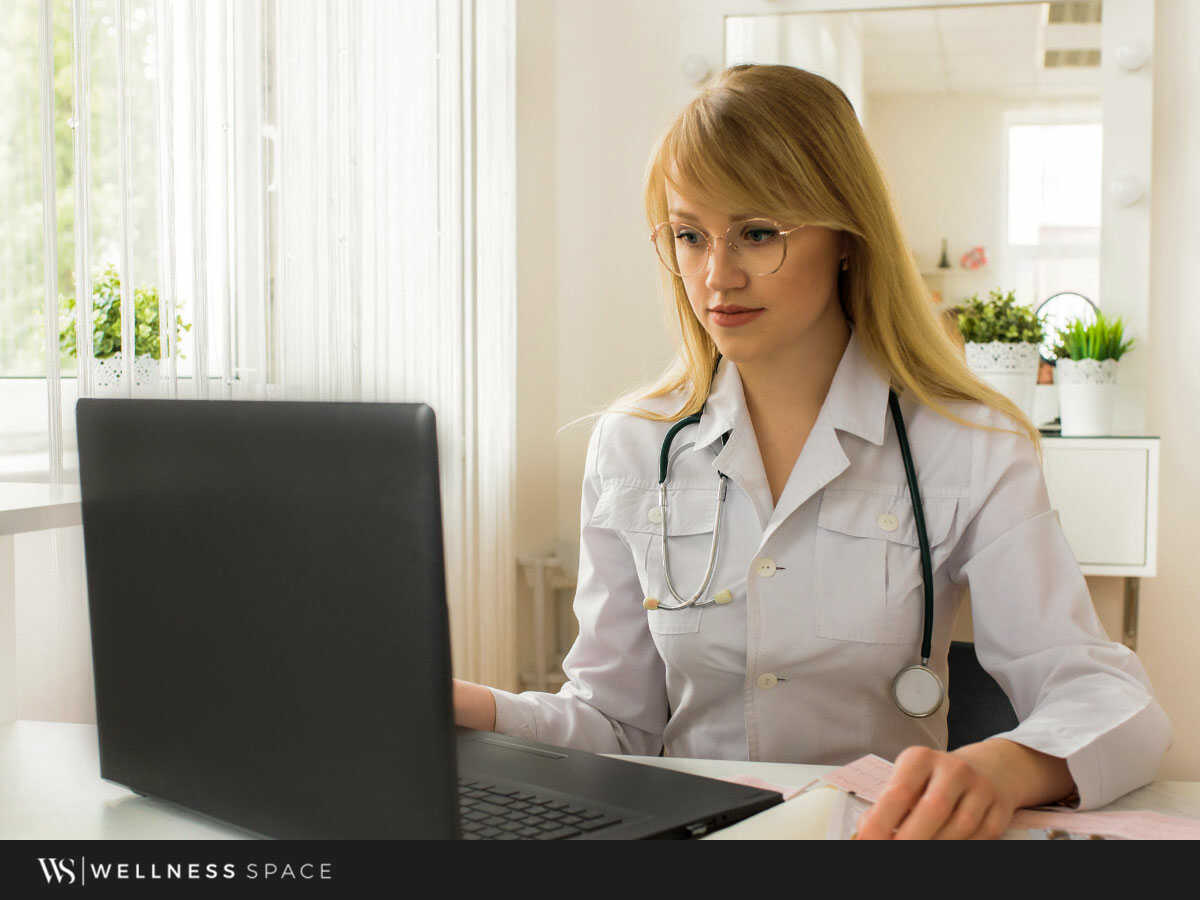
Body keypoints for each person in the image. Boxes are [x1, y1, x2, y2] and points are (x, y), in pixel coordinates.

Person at [453, 64, 1171, 839]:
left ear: (845, 238)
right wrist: (461, 704)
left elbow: (1112, 704)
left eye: (758, 233)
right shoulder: (634, 445)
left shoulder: (966, 444)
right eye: (690, 236)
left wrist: (1002, 766)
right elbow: (612, 727)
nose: (716, 276)